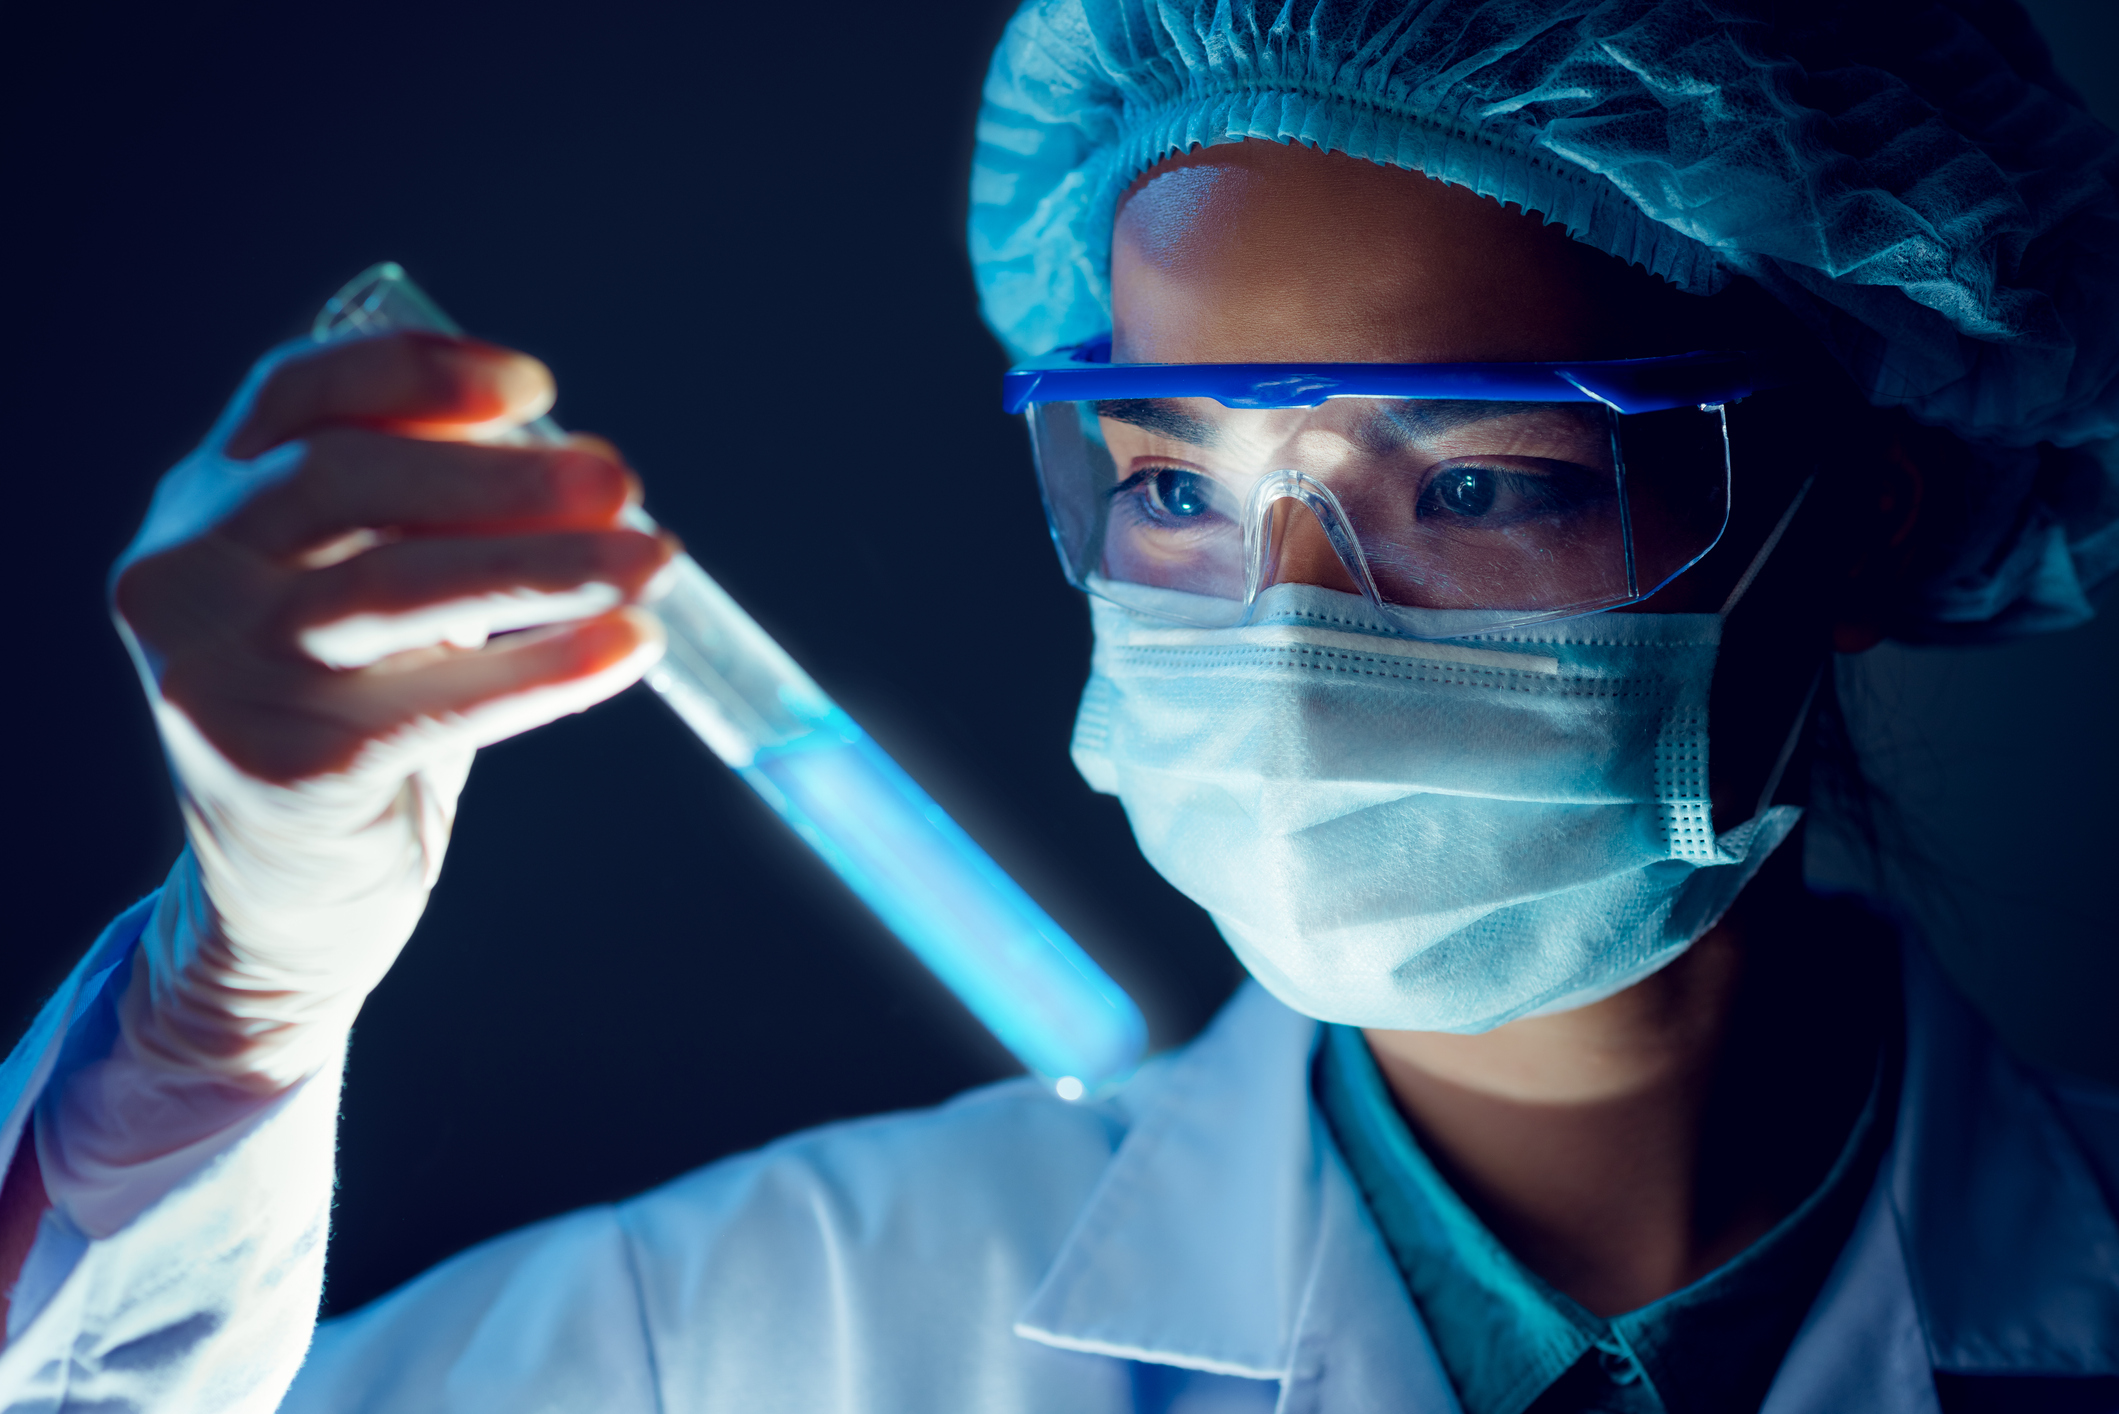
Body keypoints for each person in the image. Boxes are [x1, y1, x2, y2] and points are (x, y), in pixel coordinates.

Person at [2, 1, 2116, 1410]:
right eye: (1176, 484)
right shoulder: (764, 1330)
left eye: (1478, 479)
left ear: (1857, 518)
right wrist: (227, 1010)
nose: (1280, 625)